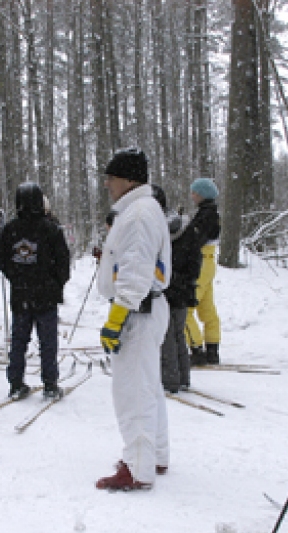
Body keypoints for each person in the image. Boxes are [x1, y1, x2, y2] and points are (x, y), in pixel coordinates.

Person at [94, 147, 172, 492]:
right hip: (145, 307)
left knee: (133, 390)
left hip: (137, 312)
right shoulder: (141, 209)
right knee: (148, 385)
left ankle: (138, 467)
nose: (107, 184)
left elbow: (137, 271)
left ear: (127, 179)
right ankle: (154, 452)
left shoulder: (139, 214)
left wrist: (116, 316)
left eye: (111, 178)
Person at [0, 182, 71, 400]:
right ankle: (49, 384)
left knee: (19, 340)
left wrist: (18, 276)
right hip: (43, 295)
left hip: (23, 293)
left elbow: (4, 261)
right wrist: (55, 283)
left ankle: (16, 382)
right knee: (47, 342)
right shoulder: (50, 229)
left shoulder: (12, 229)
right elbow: (63, 262)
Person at [154, 185, 201, 395]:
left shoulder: (157, 227)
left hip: (166, 287)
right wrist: (188, 280)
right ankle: (183, 377)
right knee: (178, 334)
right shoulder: (185, 227)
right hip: (183, 287)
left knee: (167, 335)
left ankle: (170, 380)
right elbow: (195, 259)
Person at [184, 178, 221, 365]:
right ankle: (212, 348)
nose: (192, 196)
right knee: (207, 307)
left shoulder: (205, 215)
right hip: (209, 260)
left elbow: (196, 239)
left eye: (194, 193)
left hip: (201, 262)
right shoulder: (212, 213)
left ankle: (196, 349)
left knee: (186, 308)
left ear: (202, 194)